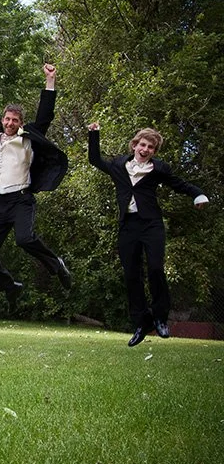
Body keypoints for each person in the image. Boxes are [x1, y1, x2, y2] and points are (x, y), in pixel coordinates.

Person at [0, 63, 71, 314]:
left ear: (20, 122)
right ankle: (9, 286)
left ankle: (57, 265)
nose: (10, 123)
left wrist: (50, 81)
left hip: (21, 199)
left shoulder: (28, 137)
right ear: (2, 120)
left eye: (15, 120)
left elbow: (45, 115)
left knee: (25, 238)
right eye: (7, 119)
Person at [88, 123, 208, 346]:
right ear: (134, 145)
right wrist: (94, 134)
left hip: (151, 225)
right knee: (132, 275)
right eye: (142, 144)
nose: (145, 149)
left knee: (155, 268)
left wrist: (197, 194)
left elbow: (178, 184)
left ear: (154, 152)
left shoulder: (158, 169)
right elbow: (95, 160)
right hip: (128, 226)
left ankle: (160, 317)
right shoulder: (118, 165)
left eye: (150, 147)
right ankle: (142, 322)